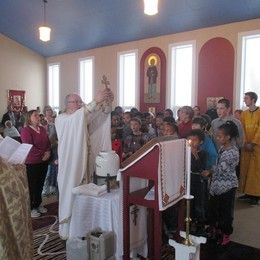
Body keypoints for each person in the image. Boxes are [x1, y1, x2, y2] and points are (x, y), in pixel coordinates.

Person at [55, 88, 113, 239]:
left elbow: (98, 120)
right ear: (68, 104)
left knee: (84, 196)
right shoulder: (62, 119)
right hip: (70, 167)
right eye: (77, 101)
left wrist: (106, 104)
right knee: (70, 196)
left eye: (81, 101)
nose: (80, 104)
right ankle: (67, 232)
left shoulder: (80, 118)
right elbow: (80, 117)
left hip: (83, 164)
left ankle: (82, 229)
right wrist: (95, 100)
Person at [203, 121, 239, 246]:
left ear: (228, 137)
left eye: (220, 136)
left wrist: (209, 171)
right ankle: (215, 228)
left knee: (225, 212)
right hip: (217, 185)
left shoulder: (233, 152)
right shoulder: (223, 148)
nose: (217, 139)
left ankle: (225, 234)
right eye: (217, 136)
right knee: (214, 209)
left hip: (227, 186)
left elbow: (221, 168)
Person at [20, 110, 51, 218]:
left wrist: (48, 152)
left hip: (43, 161)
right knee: (32, 185)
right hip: (32, 162)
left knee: (40, 184)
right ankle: (31, 207)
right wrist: (44, 153)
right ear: (29, 118)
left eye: (39, 115)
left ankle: (38, 203)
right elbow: (29, 147)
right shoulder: (25, 130)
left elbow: (47, 142)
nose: (38, 117)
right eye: (35, 115)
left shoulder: (42, 129)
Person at [239, 92, 260, 205]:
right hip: (246, 146)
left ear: (253, 100)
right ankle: (247, 192)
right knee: (245, 169)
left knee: (256, 171)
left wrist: (253, 143)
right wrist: (245, 142)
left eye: (246, 98)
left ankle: (256, 194)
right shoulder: (244, 114)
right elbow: (241, 128)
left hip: (257, 147)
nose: (244, 100)